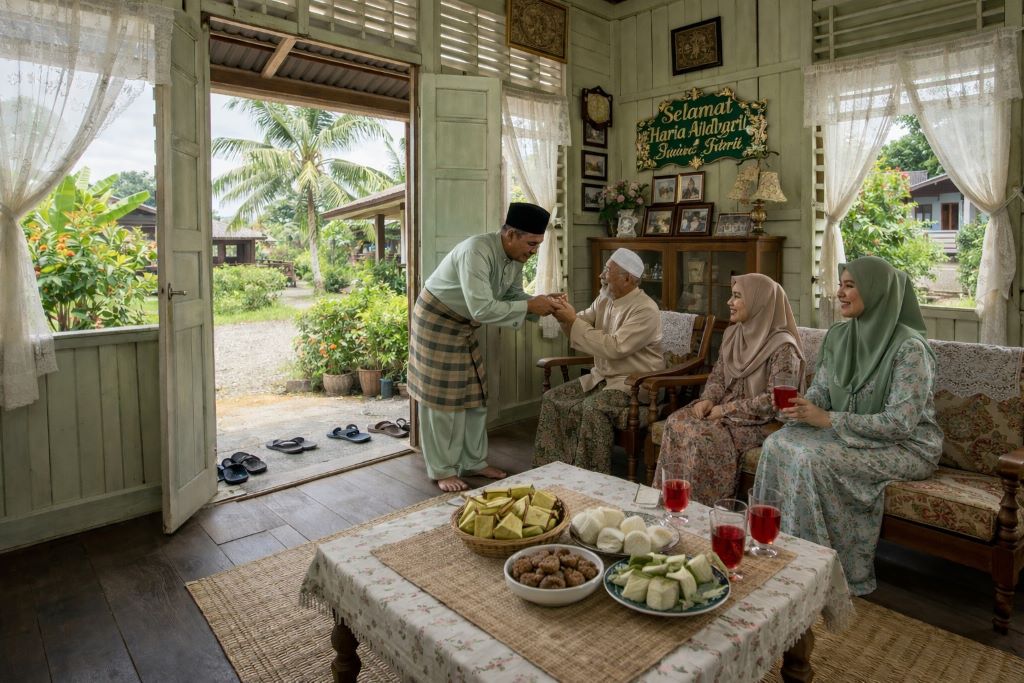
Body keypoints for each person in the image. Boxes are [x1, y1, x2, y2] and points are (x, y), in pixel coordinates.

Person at [754, 256, 942, 596]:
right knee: (778, 443)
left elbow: (900, 423)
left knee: (813, 459)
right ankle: (776, 552)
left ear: (877, 291)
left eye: (850, 285)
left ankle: (820, 574)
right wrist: (802, 406)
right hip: (850, 433)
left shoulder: (910, 348)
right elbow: (823, 391)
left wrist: (829, 419)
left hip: (907, 447)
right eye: (840, 284)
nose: (839, 293)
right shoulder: (839, 336)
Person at [408, 202, 563, 492]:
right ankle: (442, 469)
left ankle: (473, 461)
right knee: (441, 401)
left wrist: (543, 304)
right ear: (510, 234)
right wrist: (531, 305)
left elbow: (514, 295)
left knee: (474, 395)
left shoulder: (516, 258)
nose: (533, 251)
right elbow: (481, 309)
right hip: (436, 321)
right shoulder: (475, 251)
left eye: (538, 245)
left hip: (463, 325)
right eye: (531, 243)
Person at [653, 273, 804, 505]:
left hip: (761, 421)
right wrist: (708, 399)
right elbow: (718, 377)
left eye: (736, 296)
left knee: (703, 438)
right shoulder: (733, 333)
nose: (729, 302)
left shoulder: (783, 347)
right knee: (676, 422)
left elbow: (775, 401)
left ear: (758, 302)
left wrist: (725, 410)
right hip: (723, 411)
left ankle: (703, 512)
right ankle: (670, 504)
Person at [533, 249, 664, 474]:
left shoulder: (646, 310)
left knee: (592, 408)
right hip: (602, 377)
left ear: (627, 279)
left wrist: (572, 319)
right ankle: (551, 472)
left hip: (634, 383)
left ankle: (589, 477)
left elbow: (614, 347)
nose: (601, 276)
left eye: (607, 271)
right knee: (551, 398)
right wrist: (561, 312)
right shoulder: (605, 297)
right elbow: (579, 322)